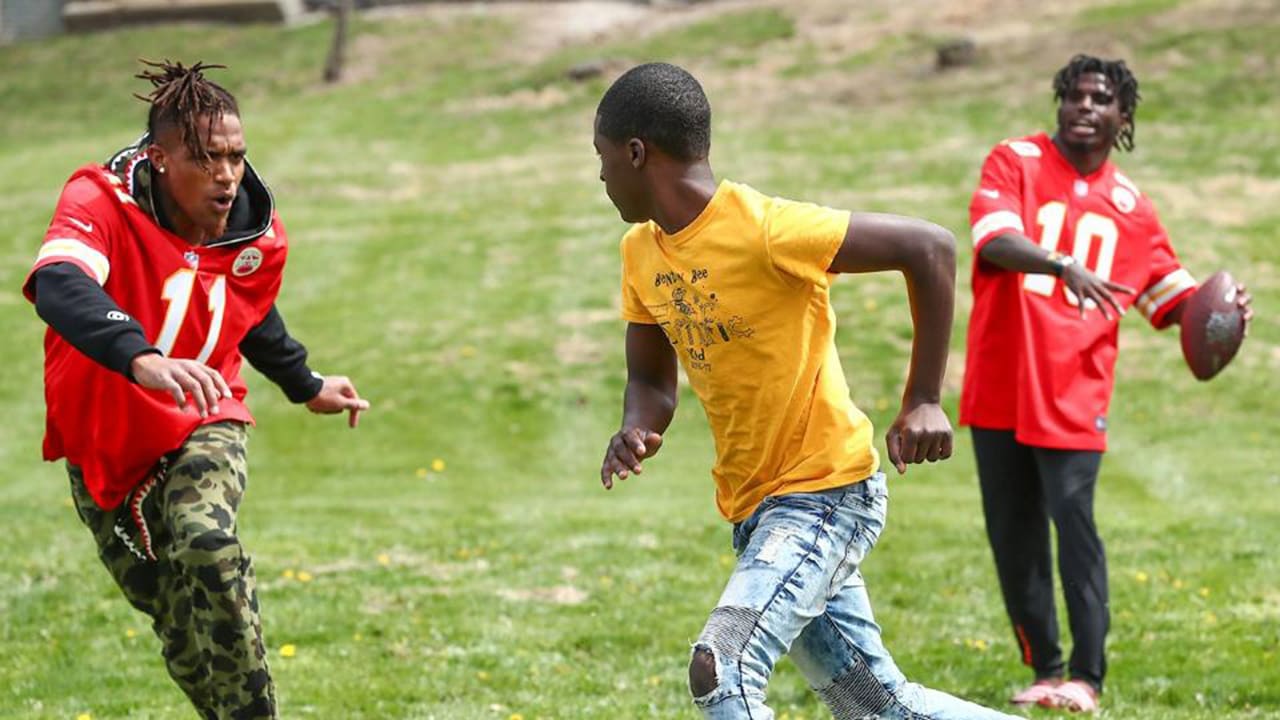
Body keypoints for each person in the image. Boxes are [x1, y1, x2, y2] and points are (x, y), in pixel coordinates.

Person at [595, 62, 1017, 720]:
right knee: (883, 709)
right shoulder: (640, 254)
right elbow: (652, 380)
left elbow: (930, 248)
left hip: (826, 494)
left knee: (721, 665)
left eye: (601, 158)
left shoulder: (767, 229)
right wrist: (634, 428)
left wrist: (925, 397)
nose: (599, 177)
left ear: (635, 152)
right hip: (755, 512)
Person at [22, 60, 370, 719]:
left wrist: (307, 384)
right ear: (158, 159)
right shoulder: (100, 200)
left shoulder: (253, 232)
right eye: (206, 158)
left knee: (204, 541)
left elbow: (249, 313)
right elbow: (63, 284)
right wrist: (142, 359)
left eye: (237, 157)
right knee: (180, 631)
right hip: (105, 439)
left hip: (205, 414)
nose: (227, 175)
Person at [961, 54, 1253, 713]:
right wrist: (1062, 264)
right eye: (1075, 96)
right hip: (1000, 383)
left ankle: (1086, 679)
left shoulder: (1134, 209)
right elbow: (994, 240)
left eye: (1102, 100)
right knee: (1014, 536)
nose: (1085, 107)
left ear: (1124, 119)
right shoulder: (1015, 161)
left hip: (1073, 392)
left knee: (1075, 523)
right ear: (1060, 103)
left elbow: (1174, 305)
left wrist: (1227, 317)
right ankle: (1044, 669)